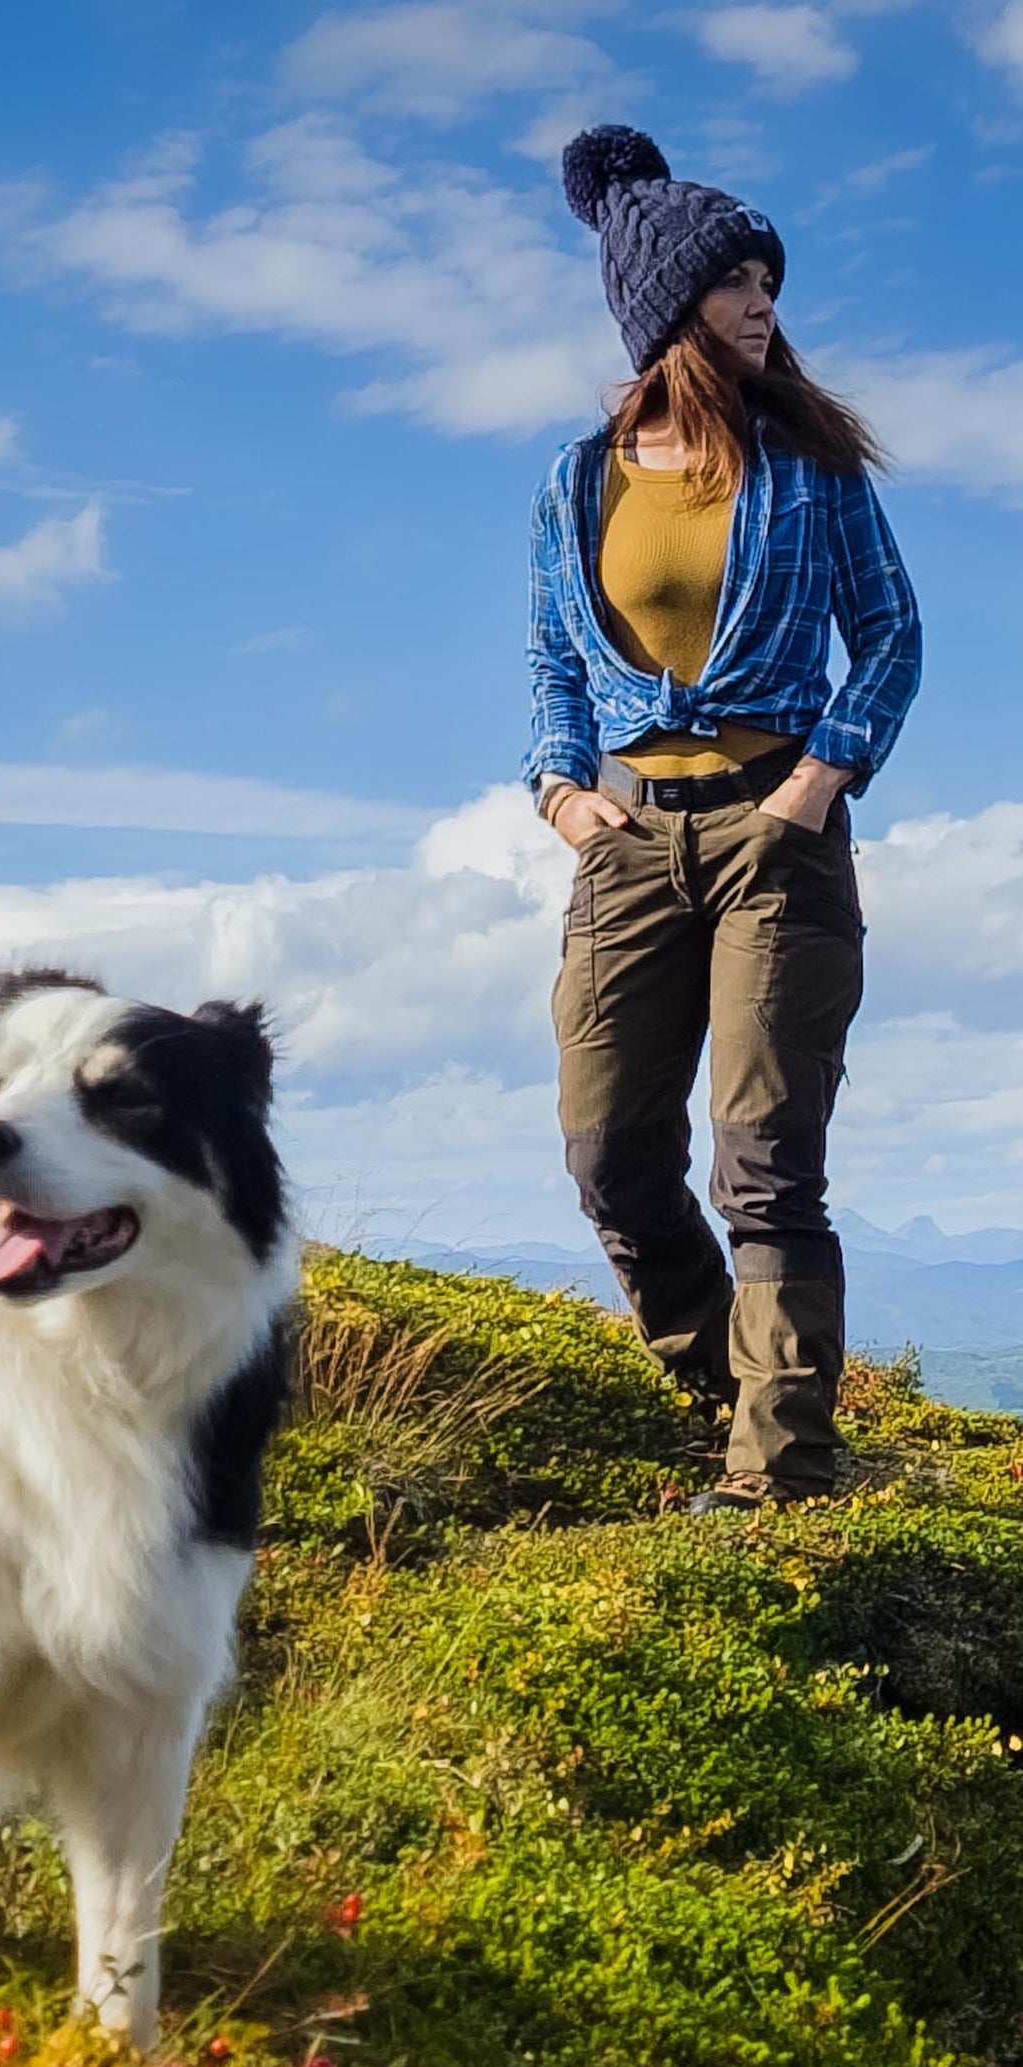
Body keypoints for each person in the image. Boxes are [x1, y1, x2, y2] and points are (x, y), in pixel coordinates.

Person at [525, 126, 922, 1514]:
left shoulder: (807, 466)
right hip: (624, 843)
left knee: (763, 1159)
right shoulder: (578, 481)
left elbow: (886, 639)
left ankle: (782, 1482)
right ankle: (724, 1399)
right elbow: (550, 669)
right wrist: (564, 797)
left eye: (767, 280)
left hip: (777, 834)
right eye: (736, 281)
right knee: (607, 1152)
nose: (764, 303)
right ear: (666, 306)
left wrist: (818, 785)